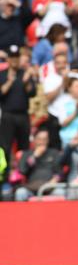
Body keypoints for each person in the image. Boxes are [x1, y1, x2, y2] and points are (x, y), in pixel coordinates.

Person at [0, 45, 37, 183]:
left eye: (17, 58)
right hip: (7, 116)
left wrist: (27, 81)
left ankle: (23, 177)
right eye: (12, 58)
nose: (15, 61)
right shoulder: (2, 75)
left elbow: (32, 93)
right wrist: (9, 81)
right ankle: (4, 179)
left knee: (24, 148)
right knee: (5, 148)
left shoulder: (24, 74)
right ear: (8, 59)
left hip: (23, 115)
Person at [15, 129, 62, 201]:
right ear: (34, 140)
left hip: (49, 187)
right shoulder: (26, 154)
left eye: (44, 139)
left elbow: (59, 172)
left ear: (48, 140)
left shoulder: (54, 153)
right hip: (31, 188)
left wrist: (55, 180)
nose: (42, 142)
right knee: (20, 192)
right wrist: (34, 156)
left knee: (60, 192)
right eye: (39, 139)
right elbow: (22, 170)